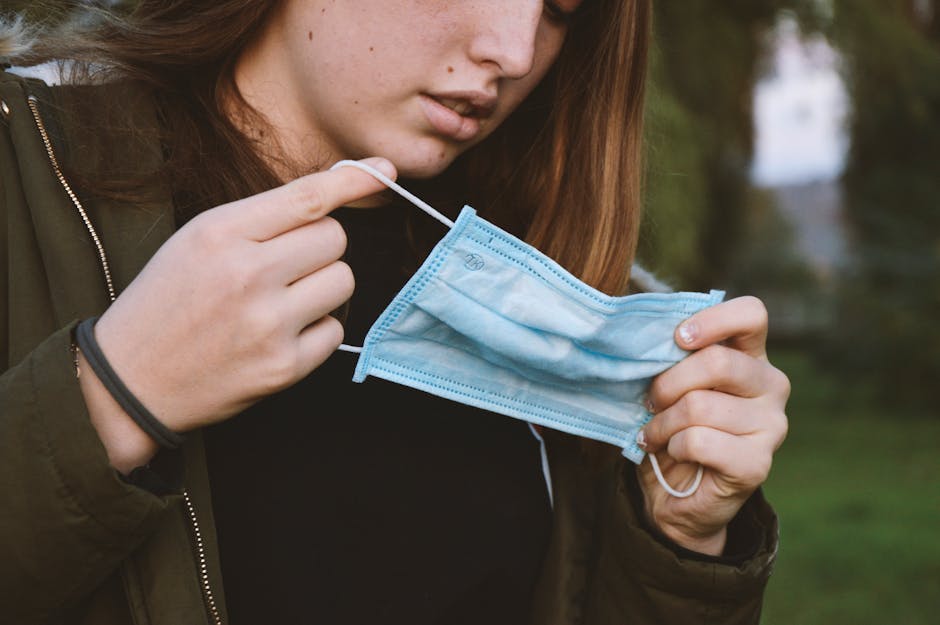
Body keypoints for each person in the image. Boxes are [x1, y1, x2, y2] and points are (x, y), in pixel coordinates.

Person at [0, 1, 789, 624]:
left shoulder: (564, 309)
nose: (513, 53)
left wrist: (682, 545)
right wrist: (112, 393)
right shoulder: (28, 171)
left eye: (559, 8)